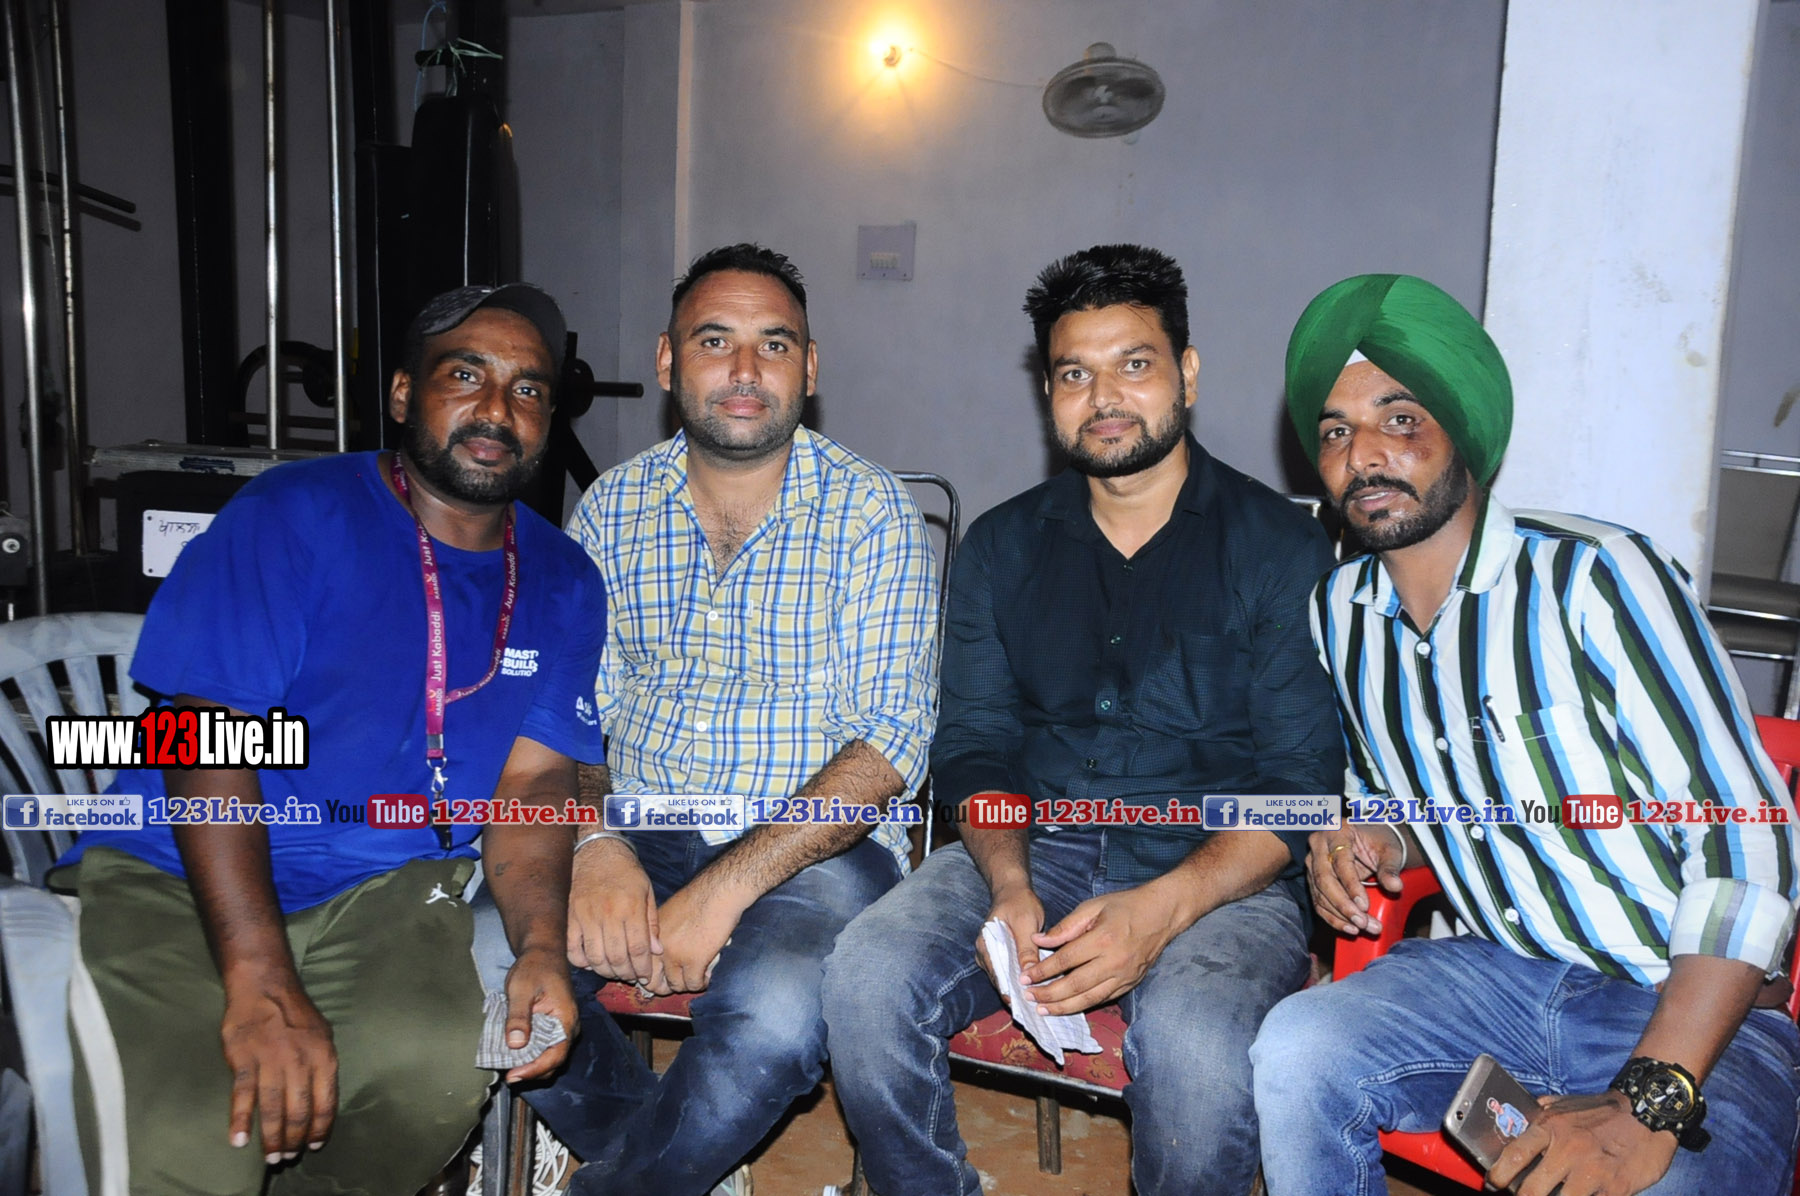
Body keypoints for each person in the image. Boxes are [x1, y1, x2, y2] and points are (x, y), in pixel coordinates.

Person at [1249, 273, 1800, 1196]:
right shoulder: (1339, 613)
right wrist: (1367, 836)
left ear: (1464, 434)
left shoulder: (1595, 577)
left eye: (1400, 419)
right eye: (1336, 432)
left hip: (1685, 1006)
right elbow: (1412, 802)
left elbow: (1746, 842)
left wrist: (1649, 1098)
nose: (1364, 455)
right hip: (1493, 983)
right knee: (1297, 1048)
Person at [56, 283, 604, 1195]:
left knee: (430, 1076)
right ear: (403, 393)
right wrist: (263, 980)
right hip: (179, 871)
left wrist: (541, 947)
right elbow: (206, 737)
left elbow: (535, 783)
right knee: (202, 1142)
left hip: (387, 886)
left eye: (527, 389)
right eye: (465, 375)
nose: (497, 409)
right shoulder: (291, 513)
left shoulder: (564, 577)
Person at [821, 243, 1345, 1196]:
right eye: (1074, 374)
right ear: (1048, 392)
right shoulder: (1002, 546)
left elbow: (1300, 786)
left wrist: (1161, 909)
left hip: (1225, 868)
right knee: (864, 975)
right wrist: (1010, 882)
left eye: (1134, 364)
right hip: (1036, 842)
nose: (1104, 397)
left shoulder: (1280, 546)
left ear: (1187, 373)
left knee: (1195, 1046)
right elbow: (974, 744)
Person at [517, 243, 939, 1196]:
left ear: (809, 367)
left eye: (774, 344)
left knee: (776, 1019)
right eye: (715, 341)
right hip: (637, 818)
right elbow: (573, 716)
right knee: (494, 960)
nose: (746, 370)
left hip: (815, 845)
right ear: (668, 362)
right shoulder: (614, 507)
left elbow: (889, 746)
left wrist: (724, 889)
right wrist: (595, 843)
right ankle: (682, 1153)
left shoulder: (869, 510)